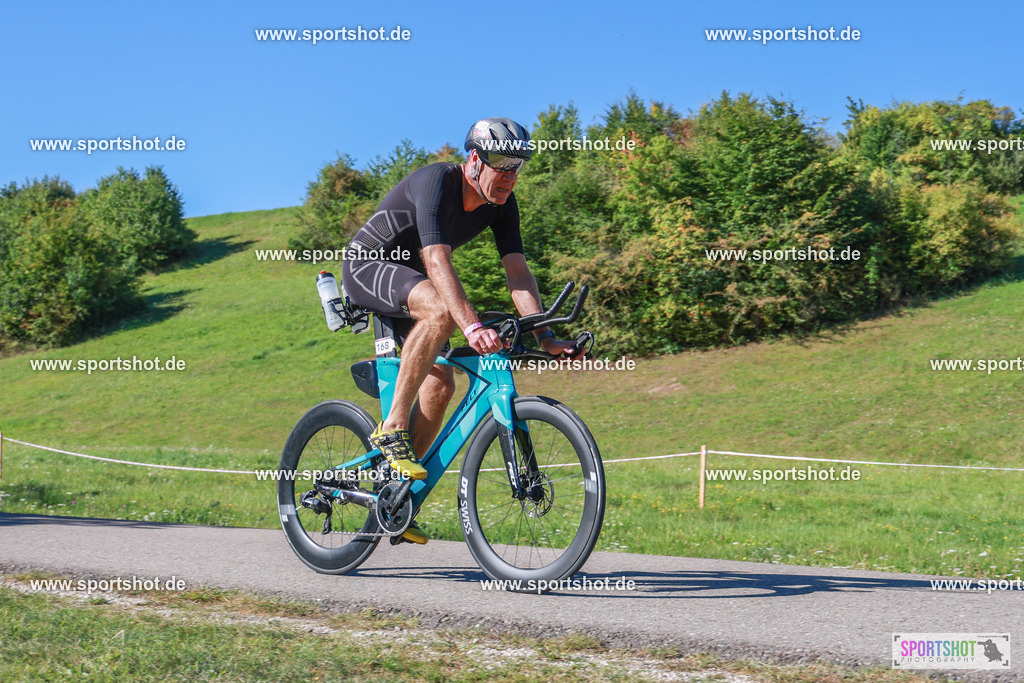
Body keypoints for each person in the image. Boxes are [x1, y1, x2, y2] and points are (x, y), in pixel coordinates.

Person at [341, 117, 582, 544]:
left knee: (440, 386)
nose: (510, 175)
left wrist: (544, 334)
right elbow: (436, 260)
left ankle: (396, 494)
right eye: (502, 163)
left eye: (518, 165)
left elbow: (518, 272)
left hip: (409, 280)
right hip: (367, 267)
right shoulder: (438, 181)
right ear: (474, 159)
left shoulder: (503, 204)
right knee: (441, 311)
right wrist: (471, 325)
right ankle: (392, 426)